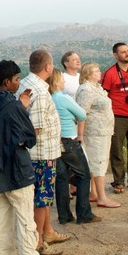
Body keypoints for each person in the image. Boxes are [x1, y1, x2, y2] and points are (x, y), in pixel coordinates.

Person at [0, 60, 61, 255]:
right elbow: (29, 138)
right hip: (17, 172)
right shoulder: (14, 107)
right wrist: (22, 108)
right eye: (16, 79)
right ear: (7, 82)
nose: (19, 83)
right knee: (27, 226)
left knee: (1, 223)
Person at [18, 50, 68, 255]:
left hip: (43, 152)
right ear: (47, 67)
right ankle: (38, 241)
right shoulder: (38, 90)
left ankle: (47, 231)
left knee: (45, 197)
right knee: (42, 197)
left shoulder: (26, 84)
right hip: (40, 154)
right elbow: (34, 129)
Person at [48, 69, 100, 226]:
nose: (64, 82)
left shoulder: (48, 99)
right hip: (69, 140)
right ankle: (84, 213)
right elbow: (82, 114)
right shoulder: (63, 98)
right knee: (83, 176)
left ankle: (64, 215)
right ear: (56, 82)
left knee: (61, 179)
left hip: (55, 142)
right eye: (62, 79)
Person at [75, 62, 120, 208]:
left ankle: (94, 193)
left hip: (103, 131)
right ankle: (102, 197)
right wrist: (80, 135)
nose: (100, 73)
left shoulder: (97, 88)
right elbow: (82, 113)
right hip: (94, 132)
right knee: (98, 162)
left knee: (98, 161)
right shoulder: (86, 90)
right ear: (88, 74)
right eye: (96, 71)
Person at [102, 42, 128, 193]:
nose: (127, 54)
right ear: (115, 55)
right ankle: (118, 181)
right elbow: (103, 95)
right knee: (117, 151)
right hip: (117, 116)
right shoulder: (110, 73)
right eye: (123, 52)